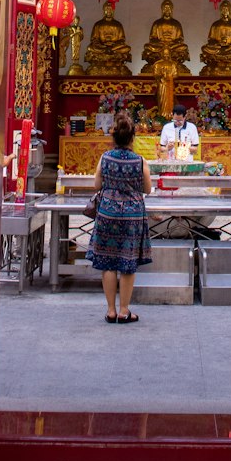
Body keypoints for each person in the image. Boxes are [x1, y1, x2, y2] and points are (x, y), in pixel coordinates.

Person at [86, 112, 152, 322]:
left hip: (108, 213)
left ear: (113, 136)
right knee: (127, 262)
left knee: (108, 262)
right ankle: (125, 310)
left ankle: (110, 310)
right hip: (132, 215)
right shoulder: (140, 161)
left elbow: (96, 185)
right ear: (133, 138)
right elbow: (148, 189)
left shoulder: (105, 158)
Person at [199, 0, 231, 75]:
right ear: (220, 11)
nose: (225, 11)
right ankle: (220, 62)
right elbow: (210, 39)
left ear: (230, 10)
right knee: (205, 48)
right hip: (218, 49)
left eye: (227, 9)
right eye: (223, 9)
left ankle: (228, 63)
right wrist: (217, 43)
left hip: (230, 49)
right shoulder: (216, 25)